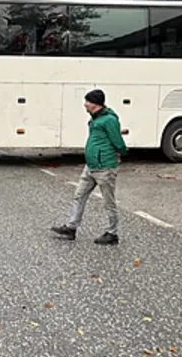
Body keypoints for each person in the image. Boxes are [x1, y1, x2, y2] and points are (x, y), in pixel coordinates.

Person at [51, 89, 127, 245]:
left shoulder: (109, 120)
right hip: (91, 166)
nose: (85, 104)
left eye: (87, 101)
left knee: (108, 202)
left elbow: (118, 141)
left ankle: (112, 233)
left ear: (95, 104)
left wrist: (119, 154)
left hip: (104, 167)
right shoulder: (95, 119)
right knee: (79, 195)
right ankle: (71, 227)